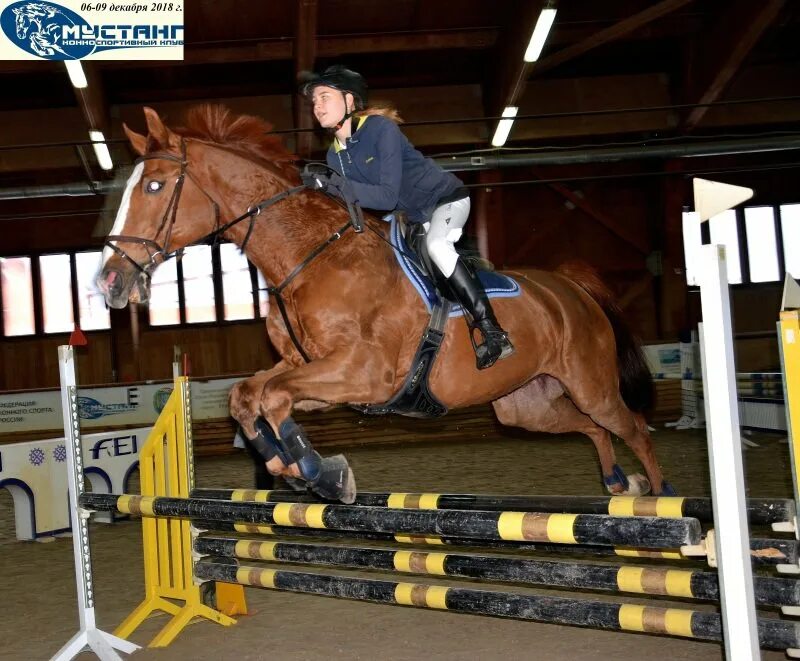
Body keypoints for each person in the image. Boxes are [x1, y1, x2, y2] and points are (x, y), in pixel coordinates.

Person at [298, 65, 514, 370]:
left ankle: (492, 330)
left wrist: (333, 185)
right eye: (314, 101)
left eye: (323, 96)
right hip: (411, 218)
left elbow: (385, 195)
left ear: (350, 101)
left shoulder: (380, 129)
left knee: (438, 246)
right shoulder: (334, 155)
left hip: (445, 200)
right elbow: (356, 205)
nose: (316, 106)